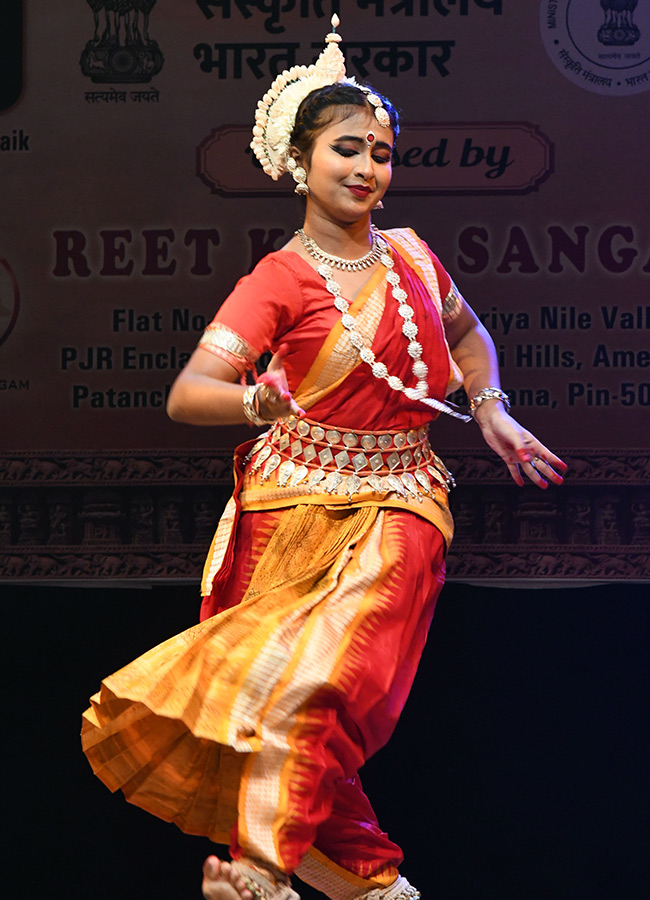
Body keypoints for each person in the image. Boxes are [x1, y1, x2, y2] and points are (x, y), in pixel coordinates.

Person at [81, 16, 567, 900]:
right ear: (300, 162)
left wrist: (489, 408)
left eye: (381, 152)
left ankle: (259, 871)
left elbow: (468, 335)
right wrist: (253, 401)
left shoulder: (413, 256)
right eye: (348, 149)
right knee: (272, 703)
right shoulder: (280, 278)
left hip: (400, 501)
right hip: (288, 507)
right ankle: (366, 884)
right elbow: (189, 395)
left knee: (320, 689)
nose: (368, 168)